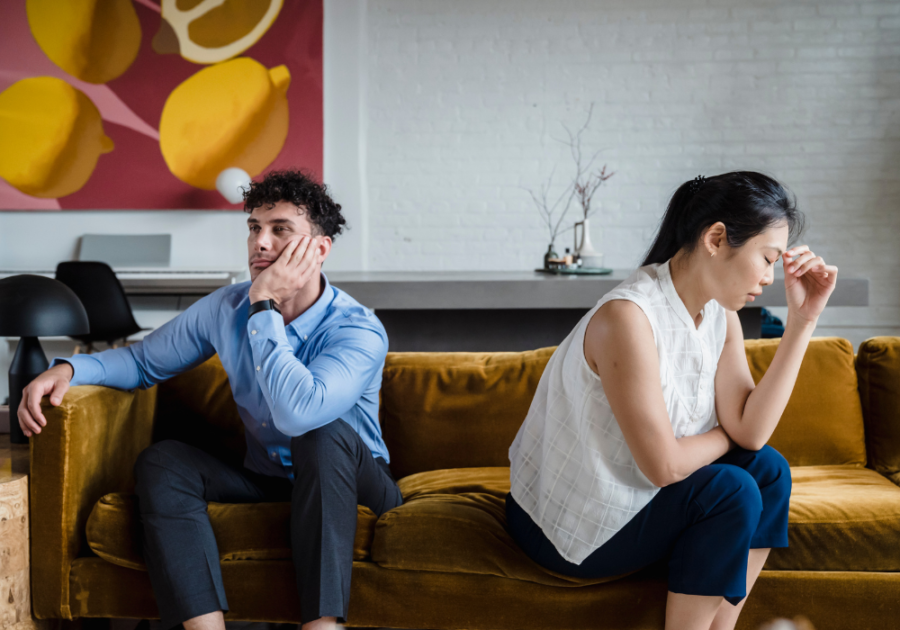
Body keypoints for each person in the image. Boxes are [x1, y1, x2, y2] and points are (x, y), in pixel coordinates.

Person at [17, 170, 402, 630]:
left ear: (319, 249)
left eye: (280, 229)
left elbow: (300, 413)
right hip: (268, 476)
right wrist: (69, 368)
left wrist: (264, 308)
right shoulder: (226, 308)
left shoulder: (356, 328)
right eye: (254, 228)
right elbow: (143, 363)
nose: (260, 243)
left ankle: (322, 626)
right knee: (163, 462)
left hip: (354, 482)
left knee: (319, 435)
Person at [506, 172, 837, 630]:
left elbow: (752, 434)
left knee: (769, 472)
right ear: (716, 238)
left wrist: (804, 321)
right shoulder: (629, 317)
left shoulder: (720, 315)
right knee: (732, 490)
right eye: (766, 259)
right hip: (568, 521)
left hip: (638, 497)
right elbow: (666, 466)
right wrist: (723, 433)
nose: (768, 278)